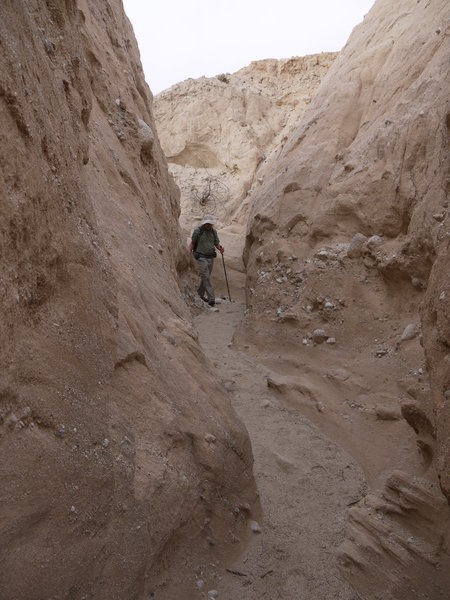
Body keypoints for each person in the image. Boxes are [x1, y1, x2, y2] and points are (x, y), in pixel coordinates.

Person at [189, 215, 224, 306]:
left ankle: (200, 294)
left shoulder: (213, 232)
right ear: (204, 223)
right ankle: (211, 298)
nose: (208, 225)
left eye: (210, 223)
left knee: (205, 277)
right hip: (201, 257)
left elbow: (216, 243)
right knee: (206, 277)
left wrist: (220, 248)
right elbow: (192, 243)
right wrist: (188, 253)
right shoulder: (198, 231)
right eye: (207, 223)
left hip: (210, 257)